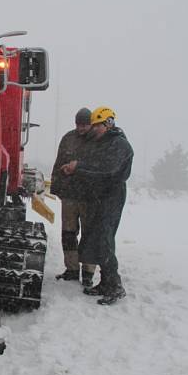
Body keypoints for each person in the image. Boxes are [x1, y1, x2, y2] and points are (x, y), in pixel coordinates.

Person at [61, 106, 133, 305]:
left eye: (97, 125)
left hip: (112, 196)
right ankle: (105, 282)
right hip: (99, 196)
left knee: (105, 239)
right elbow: (93, 164)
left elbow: (107, 169)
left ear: (108, 123)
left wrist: (79, 167)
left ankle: (115, 285)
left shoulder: (119, 145)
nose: (94, 129)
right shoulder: (105, 142)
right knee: (98, 239)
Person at [50, 107, 96, 287]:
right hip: (69, 195)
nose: (81, 128)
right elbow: (58, 163)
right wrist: (56, 187)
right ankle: (71, 269)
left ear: (91, 124)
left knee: (89, 234)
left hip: (90, 197)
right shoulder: (68, 138)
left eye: (85, 124)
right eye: (79, 124)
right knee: (68, 233)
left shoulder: (98, 141)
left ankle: (88, 272)